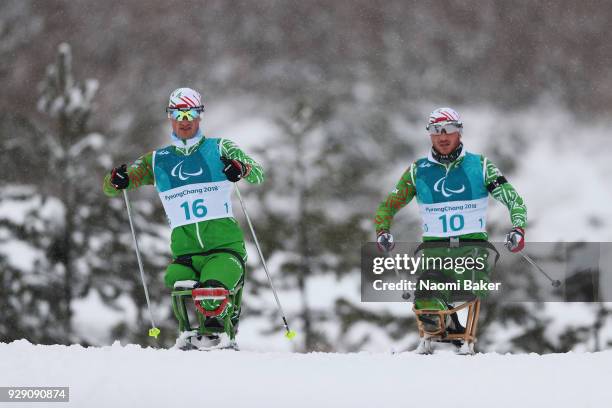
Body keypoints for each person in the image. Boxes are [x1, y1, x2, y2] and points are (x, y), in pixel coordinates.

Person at [103, 87, 264, 350]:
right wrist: (117, 179)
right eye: (178, 113)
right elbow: (112, 187)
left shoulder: (219, 148)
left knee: (212, 290)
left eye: (190, 113)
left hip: (224, 249)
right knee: (176, 282)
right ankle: (190, 337)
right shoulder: (158, 160)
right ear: (170, 117)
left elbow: (257, 173)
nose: (185, 120)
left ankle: (221, 331)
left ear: (200, 116)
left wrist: (240, 168)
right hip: (185, 253)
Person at [374, 107, 527, 354]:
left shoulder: (480, 165)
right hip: (435, 253)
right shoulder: (418, 170)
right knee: (426, 298)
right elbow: (388, 206)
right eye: (436, 132)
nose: (443, 138)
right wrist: (382, 229)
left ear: (459, 132)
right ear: (430, 135)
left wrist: (518, 227)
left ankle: (455, 333)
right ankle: (443, 332)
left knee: (463, 290)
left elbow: (514, 200)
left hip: (471, 252)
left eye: (449, 131)